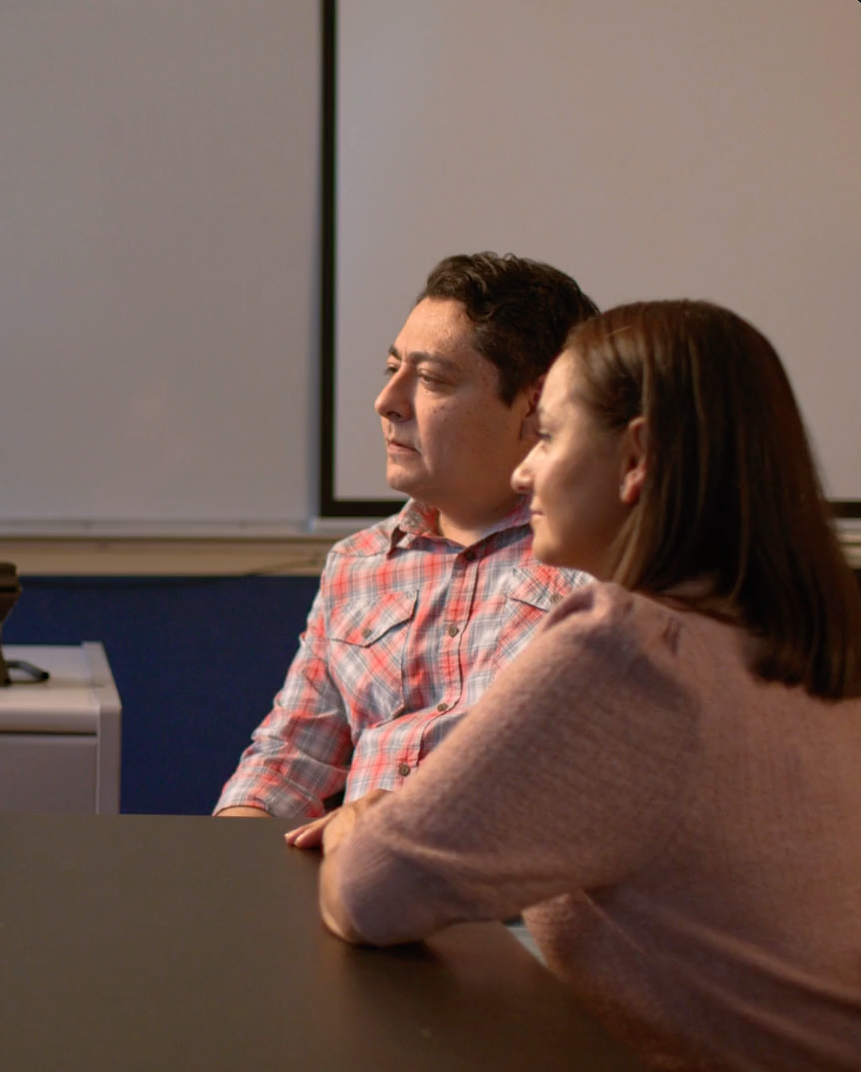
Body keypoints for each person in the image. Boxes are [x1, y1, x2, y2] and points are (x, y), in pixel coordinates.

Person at [294, 300, 861, 1070]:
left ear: (636, 458)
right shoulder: (813, 639)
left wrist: (355, 822)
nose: (523, 470)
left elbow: (371, 892)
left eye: (549, 437)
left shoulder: (629, 651)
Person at [215, 253, 597, 818]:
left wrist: (394, 831)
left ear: (536, 406)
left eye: (431, 379)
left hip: (494, 869)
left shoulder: (599, 563)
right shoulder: (358, 563)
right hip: (352, 868)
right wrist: (235, 841)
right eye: (391, 369)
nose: (387, 403)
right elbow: (288, 758)